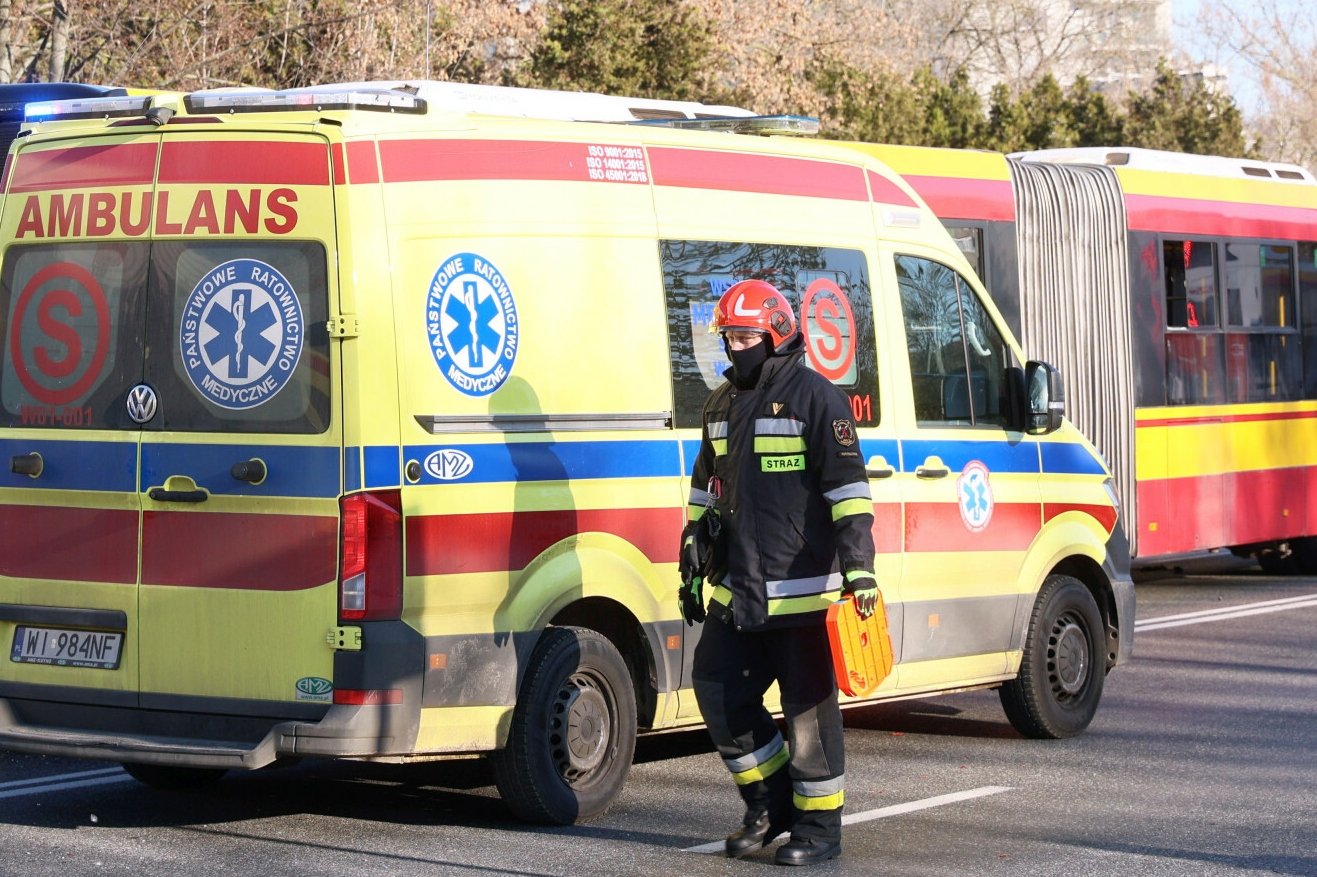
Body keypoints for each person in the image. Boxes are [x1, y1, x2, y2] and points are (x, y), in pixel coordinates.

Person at [679, 278, 878, 866]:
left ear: (776, 333)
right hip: (736, 592)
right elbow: (704, 495)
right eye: (728, 337)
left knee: (808, 715)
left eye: (743, 336)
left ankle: (820, 830)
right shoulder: (718, 405)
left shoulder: (817, 399)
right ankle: (770, 805)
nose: (733, 348)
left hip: (803, 596)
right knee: (717, 690)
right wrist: (690, 565)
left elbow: (849, 493)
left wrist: (859, 571)